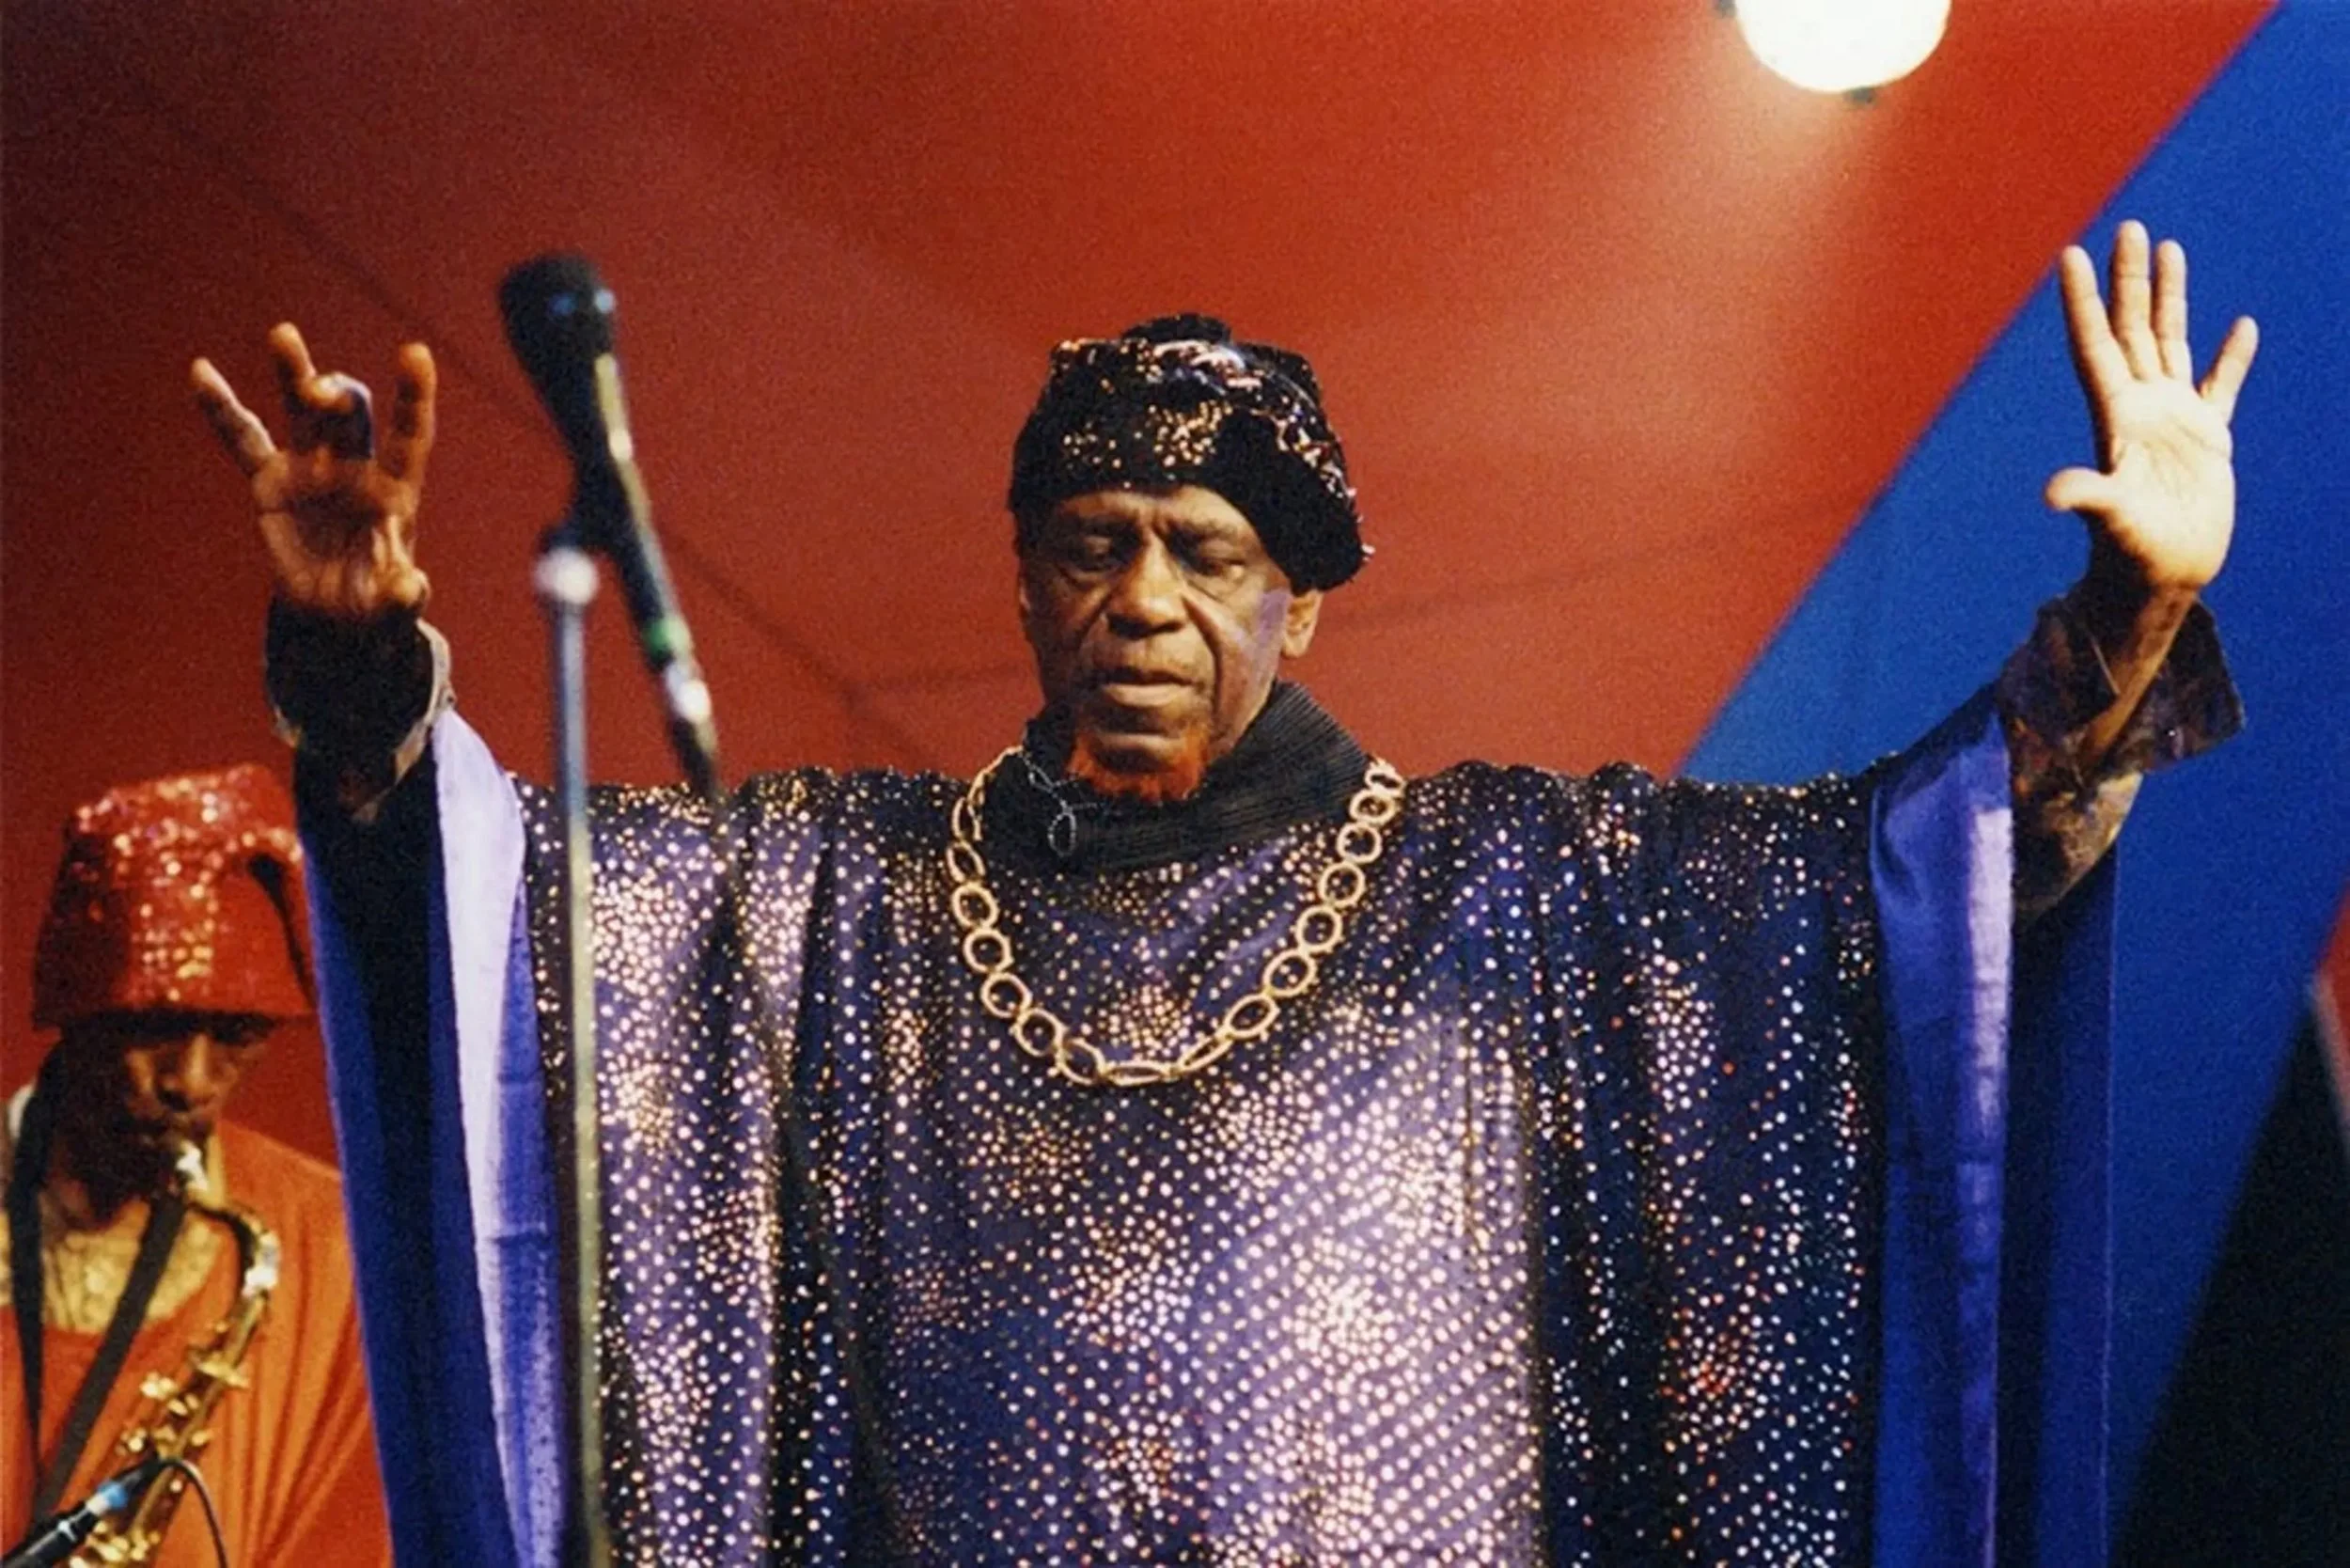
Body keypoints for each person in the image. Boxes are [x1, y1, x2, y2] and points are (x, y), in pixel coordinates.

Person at [190, 221, 2255, 1566]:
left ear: (1300, 605)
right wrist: (359, 666)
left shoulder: (1514, 893)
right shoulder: (849, 901)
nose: (1143, 599)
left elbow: (1896, 898)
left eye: (1202, 548)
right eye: (1091, 542)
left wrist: (2121, 619)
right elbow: (503, 925)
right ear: (1025, 582)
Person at [1, 765, 391, 1567]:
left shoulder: (333, 1246)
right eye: (157, 1024)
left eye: (238, 1036)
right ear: (78, 1004)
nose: (192, 1081)